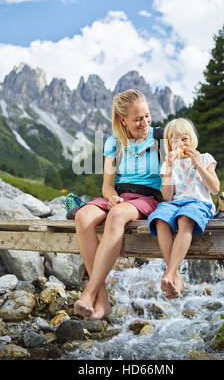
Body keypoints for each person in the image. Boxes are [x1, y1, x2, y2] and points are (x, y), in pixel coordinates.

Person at [73, 89, 163, 320]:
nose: (144, 123)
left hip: (147, 198)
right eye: (137, 119)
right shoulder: (114, 142)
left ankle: (89, 292)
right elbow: (107, 186)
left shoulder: (161, 138)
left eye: (147, 116)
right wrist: (111, 196)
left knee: (117, 215)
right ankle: (102, 302)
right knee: (82, 216)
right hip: (120, 196)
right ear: (123, 120)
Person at [148, 118, 220, 299]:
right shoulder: (167, 164)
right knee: (160, 218)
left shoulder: (205, 158)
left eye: (184, 138)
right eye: (174, 141)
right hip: (175, 203)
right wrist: (169, 170)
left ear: (192, 139)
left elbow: (215, 188)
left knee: (185, 218)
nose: (180, 144)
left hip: (199, 203)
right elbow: (166, 196)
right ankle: (175, 276)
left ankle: (170, 272)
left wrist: (198, 165)